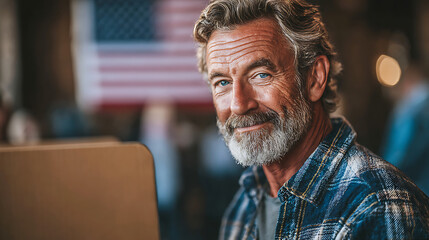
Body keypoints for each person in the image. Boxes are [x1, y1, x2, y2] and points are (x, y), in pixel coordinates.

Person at [193, 0, 429, 239]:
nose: (238, 104)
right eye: (222, 82)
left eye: (260, 75)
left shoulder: (378, 207)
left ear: (314, 79)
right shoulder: (244, 203)